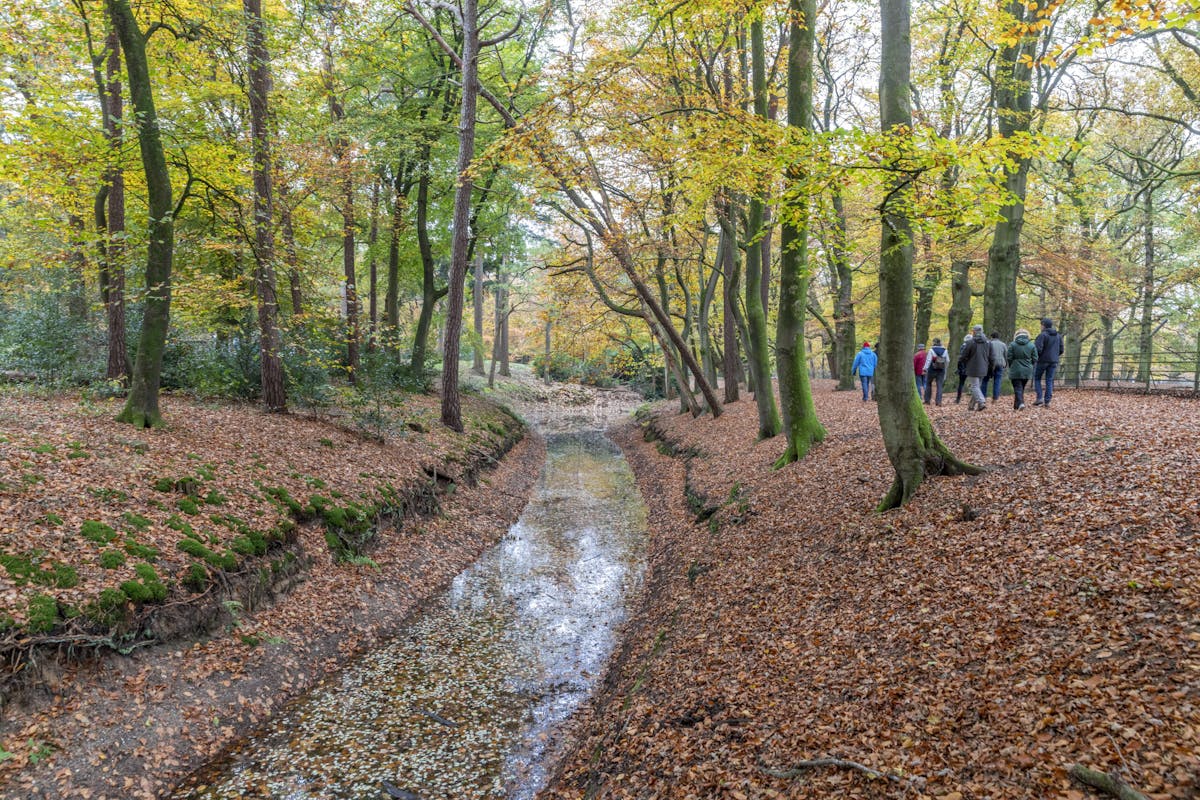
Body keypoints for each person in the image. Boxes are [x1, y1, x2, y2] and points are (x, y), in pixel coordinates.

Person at [962, 324, 995, 410]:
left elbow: (964, 355)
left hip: (972, 368)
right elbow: (992, 357)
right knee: (976, 387)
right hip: (984, 368)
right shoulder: (988, 343)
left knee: (974, 387)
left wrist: (964, 363)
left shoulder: (970, 342)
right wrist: (991, 368)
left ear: (974, 332)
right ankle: (971, 405)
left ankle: (981, 401)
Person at [1033, 317, 1064, 407]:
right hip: (1054, 361)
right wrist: (1054, 355)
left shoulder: (1042, 335)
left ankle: (1039, 397)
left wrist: (1037, 357)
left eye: (1041, 325)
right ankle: (1047, 401)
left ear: (1043, 325)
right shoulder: (1058, 336)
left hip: (1042, 360)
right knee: (1049, 380)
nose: (1040, 327)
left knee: (1037, 378)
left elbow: (1037, 349)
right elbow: (1061, 349)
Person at [1007, 328, 1036, 409]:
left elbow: (1009, 357)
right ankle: (1016, 405)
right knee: (1021, 387)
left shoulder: (1012, 344)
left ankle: (1020, 403)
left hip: (1015, 368)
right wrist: (1030, 365)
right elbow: (1035, 358)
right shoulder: (1031, 345)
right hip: (1027, 369)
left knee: (1017, 387)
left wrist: (1011, 365)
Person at [980, 331, 1008, 401]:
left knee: (985, 380)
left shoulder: (989, 344)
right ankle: (995, 397)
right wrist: (1006, 364)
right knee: (997, 380)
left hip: (989, 365)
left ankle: (983, 396)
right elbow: (1006, 355)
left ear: (991, 337)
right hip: (1000, 364)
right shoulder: (1003, 344)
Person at [923, 337, 949, 405]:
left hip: (932, 369)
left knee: (928, 384)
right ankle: (938, 402)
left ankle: (927, 400)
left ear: (934, 342)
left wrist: (925, 368)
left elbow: (928, 360)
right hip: (941, 370)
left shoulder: (931, 350)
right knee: (939, 385)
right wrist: (945, 368)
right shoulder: (945, 350)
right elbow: (948, 361)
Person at [955, 333, 972, 403]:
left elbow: (960, 358)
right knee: (975, 384)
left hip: (963, 368)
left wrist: (959, 368)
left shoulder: (963, 346)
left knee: (961, 383)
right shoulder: (973, 346)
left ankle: (958, 399)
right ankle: (974, 400)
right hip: (971, 367)